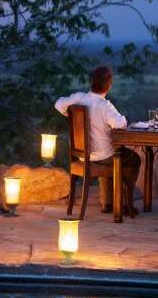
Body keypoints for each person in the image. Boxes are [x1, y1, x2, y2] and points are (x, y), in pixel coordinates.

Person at [55, 66, 140, 215]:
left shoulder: (79, 98)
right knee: (133, 159)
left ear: (92, 82)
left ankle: (106, 203)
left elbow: (58, 104)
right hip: (103, 156)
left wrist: (70, 113)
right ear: (109, 85)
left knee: (109, 155)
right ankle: (126, 204)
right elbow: (120, 124)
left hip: (82, 155)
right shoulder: (105, 106)